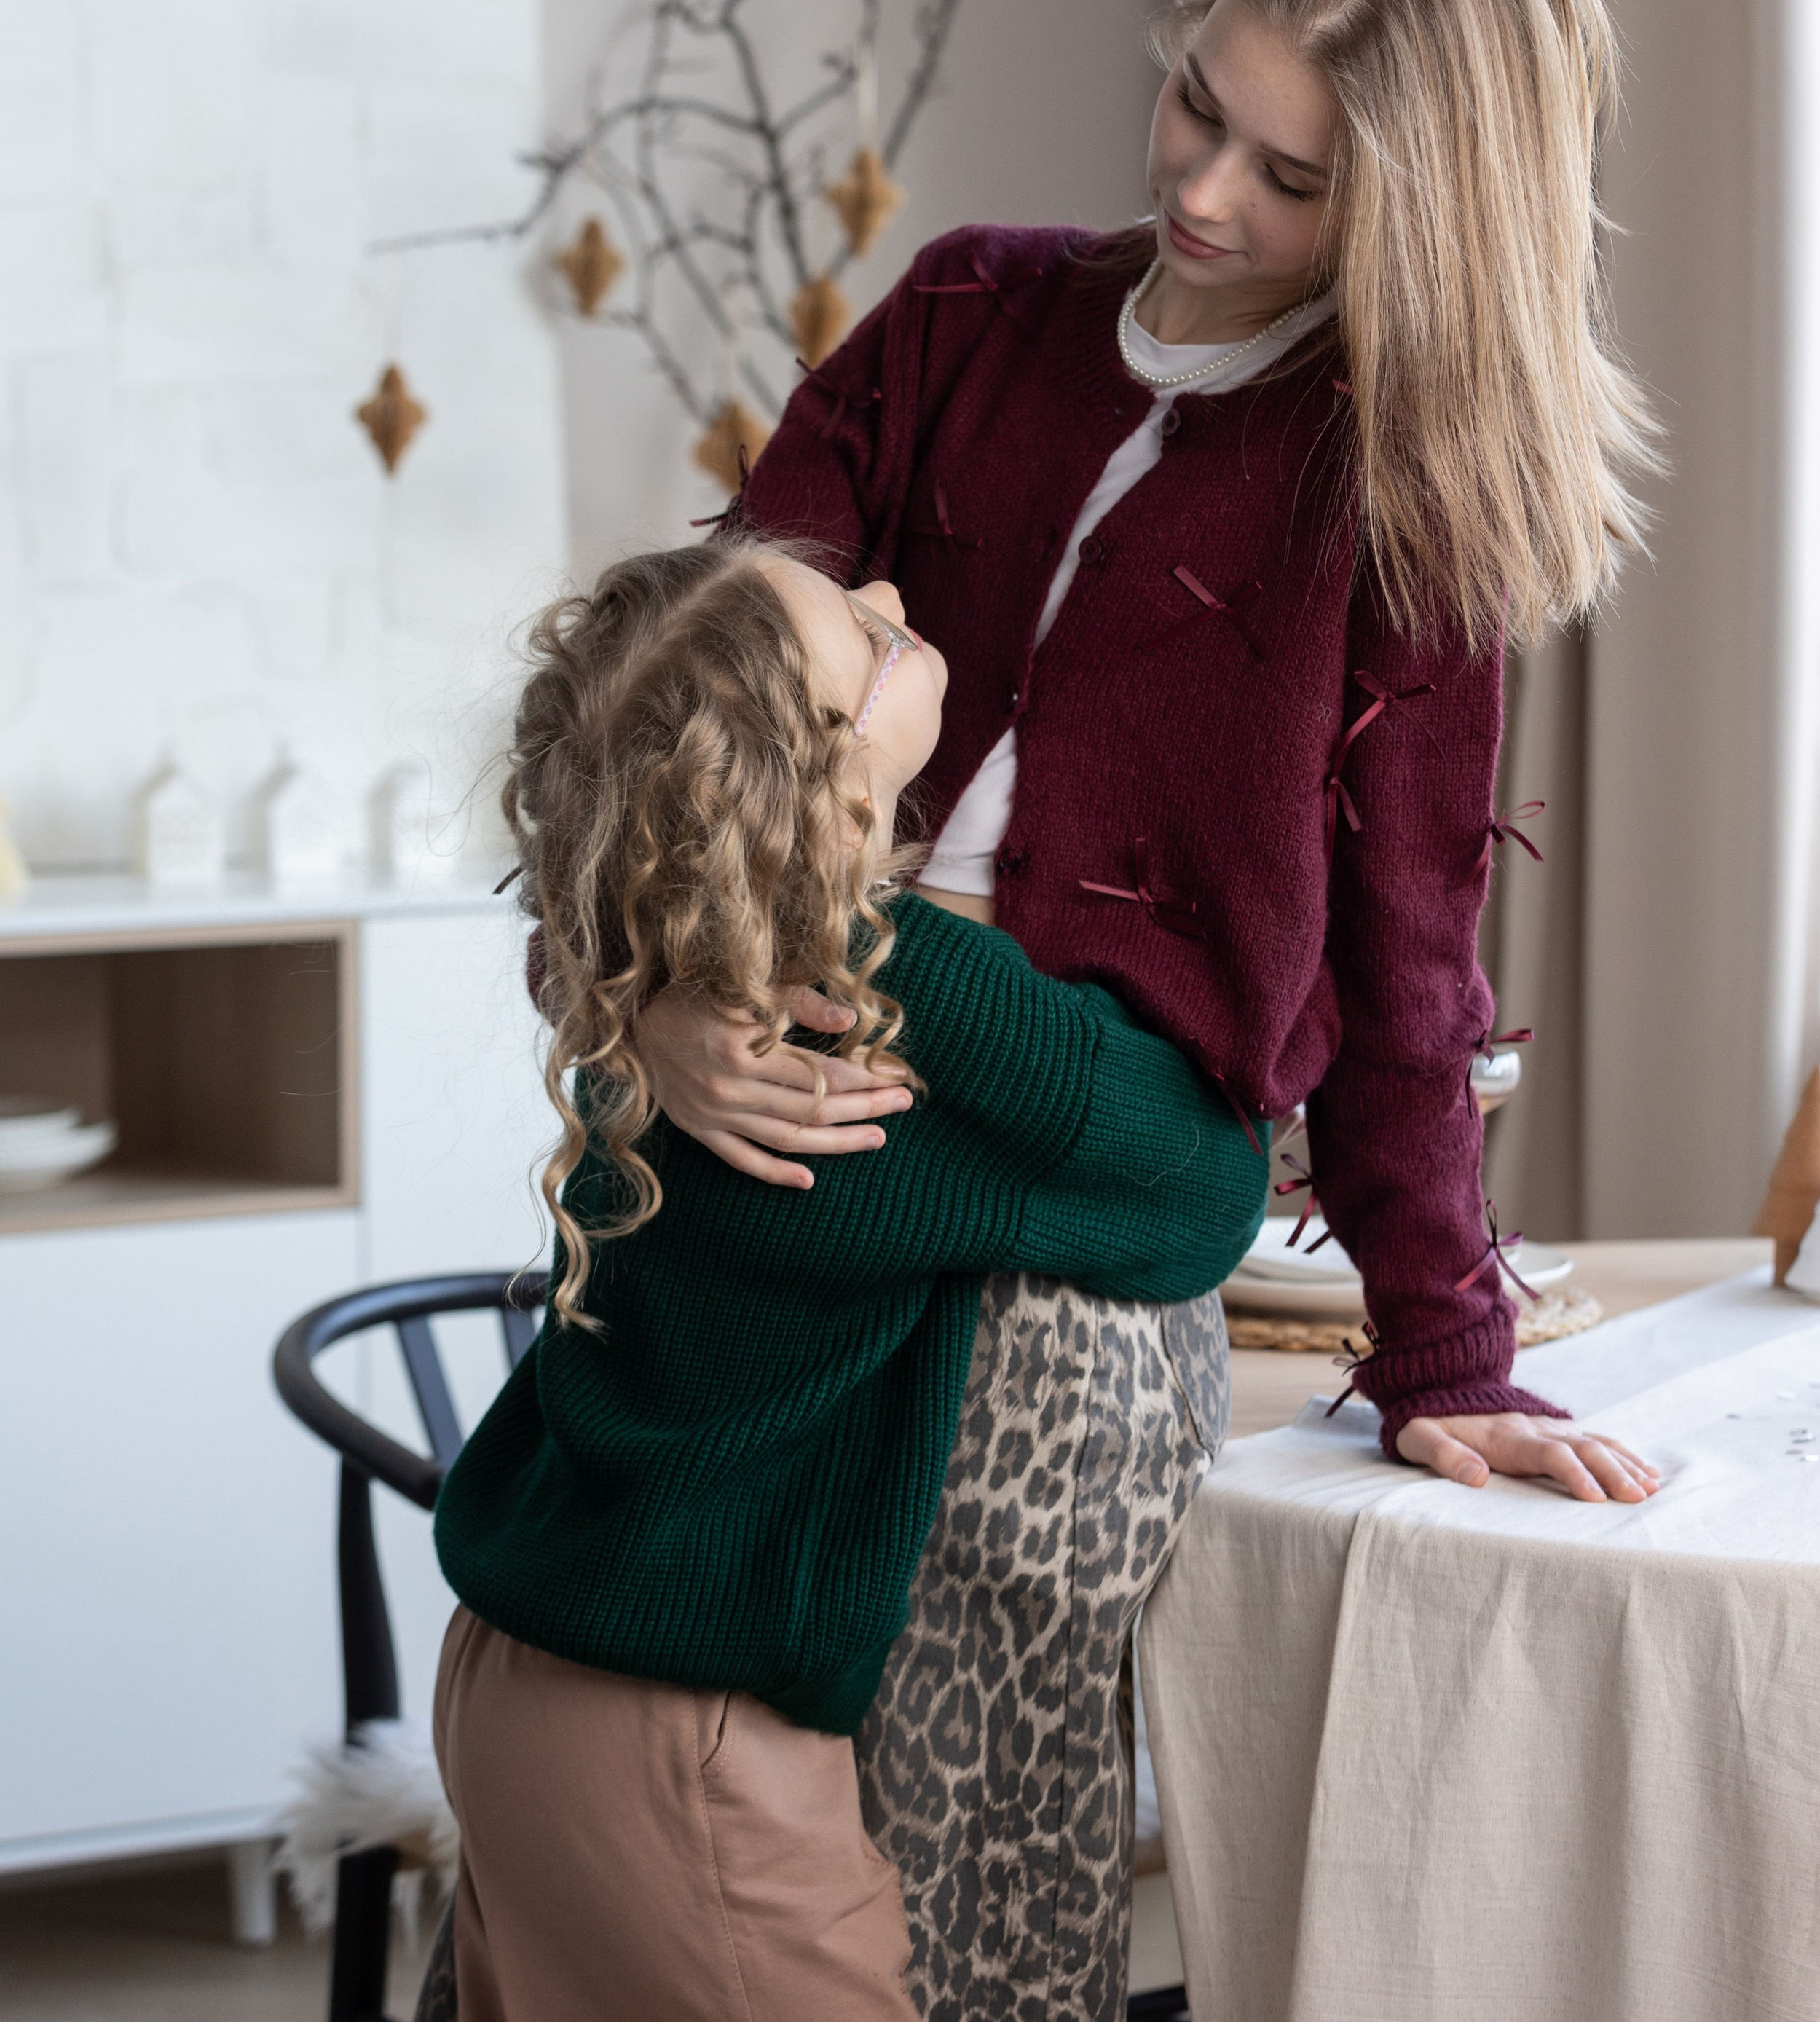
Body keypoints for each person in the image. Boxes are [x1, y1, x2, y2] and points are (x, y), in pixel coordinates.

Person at [622, 0, 1664, 2018]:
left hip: (1062, 1292)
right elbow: (684, 707)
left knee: (963, 1939)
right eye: (1198, 101)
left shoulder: (1404, 487)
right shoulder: (964, 316)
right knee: (637, 1834)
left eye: (1290, 176)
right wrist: (653, 1012)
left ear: (1417, 210)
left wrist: (1443, 1343)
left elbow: (1407, 959)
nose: (1203, 190)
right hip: (761, 1159)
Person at [426, 536, 1275, 2022]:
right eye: (859, 632)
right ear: (821, 782)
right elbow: (1202, 1194)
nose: (892, 599)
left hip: (517, 1677)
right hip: (672, 1742)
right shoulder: (881, 1023)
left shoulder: (661, 955)